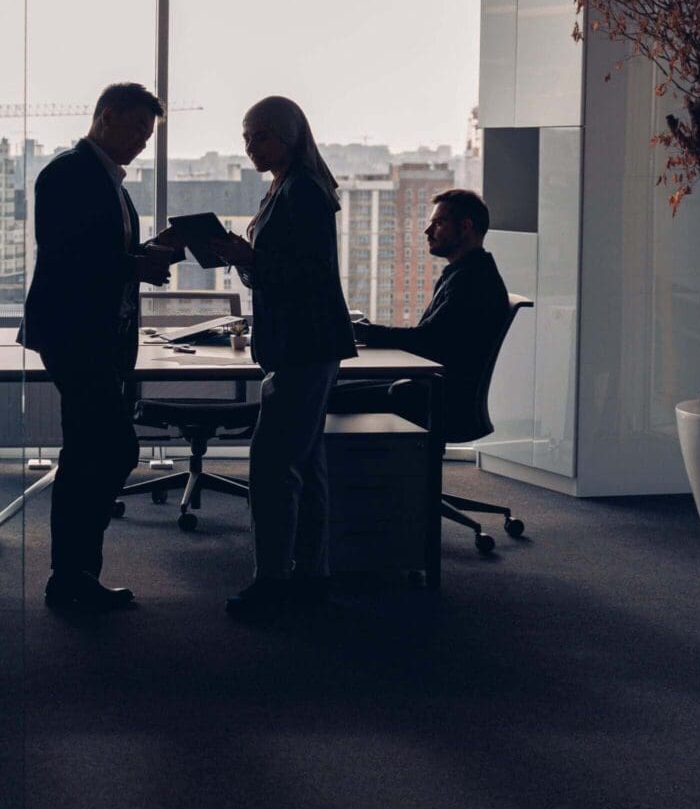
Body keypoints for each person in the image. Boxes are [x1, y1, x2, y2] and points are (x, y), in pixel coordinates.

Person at [23, 82, 182, 613]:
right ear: (107, 117)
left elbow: (100, 251)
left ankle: (73, 576)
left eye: (149, 133)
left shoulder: (109, 182)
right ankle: (70, 576)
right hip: (75, 333)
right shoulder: (69, 173)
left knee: (92, 452)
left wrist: (145, 254)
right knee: (106, 452)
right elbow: (67, 256)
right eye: (138, 128)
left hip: (101, 335)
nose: (143, 141)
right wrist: (133, 264)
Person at [205, 96, 355, 623]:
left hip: (305, 344)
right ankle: (310, 575)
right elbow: (275, 269)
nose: (249, 146)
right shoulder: (285, 186)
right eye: (245, 137)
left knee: (272, 467)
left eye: (258, 136)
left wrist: (248, 256)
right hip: (299, 344)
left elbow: (305, 275)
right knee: (304, 465)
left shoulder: (305, 192)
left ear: (288, 136)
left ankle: (273, 581)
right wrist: (243, 258)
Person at [336, 188, 510, 437]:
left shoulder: (471, 281)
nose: (428, 232)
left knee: (317, 401)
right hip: (433, 389)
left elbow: (428, 341)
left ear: (465, 226)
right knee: (324, 396)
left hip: (442, 399)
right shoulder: (466, 273)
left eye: (438, 223)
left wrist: (365, 333)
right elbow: (433, 338)